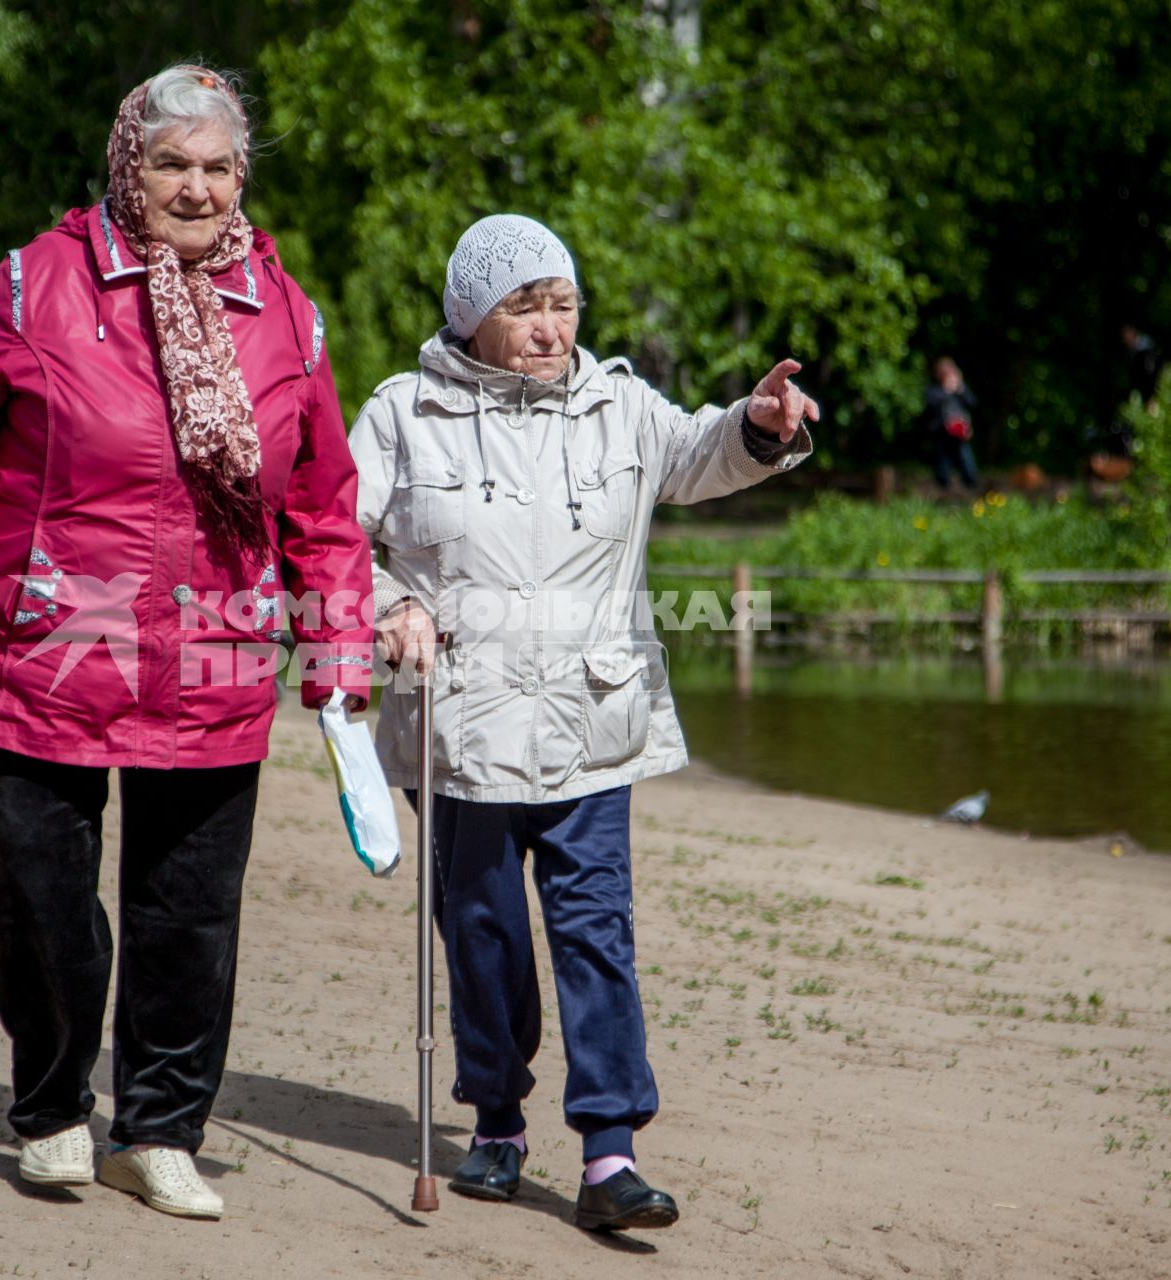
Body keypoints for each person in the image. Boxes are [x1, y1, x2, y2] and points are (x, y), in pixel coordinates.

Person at [0, 65, 374, 1220]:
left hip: (214, 647)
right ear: (127, 167)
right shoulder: (35, 281)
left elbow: (320, 500)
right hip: (47, 636)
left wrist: (338, 644)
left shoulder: (285, 312)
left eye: (215, 167)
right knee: (37, 892)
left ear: (238, 177)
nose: (195, 189)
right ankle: (54, 1106)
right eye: (171, 165)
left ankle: (159, 1128)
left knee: (190, 912)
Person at [349, 214, 815, 1232]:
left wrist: (759, 423)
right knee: (483, 934)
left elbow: (699, 454)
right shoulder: (402, 412)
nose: (550, 327)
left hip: (592, 723)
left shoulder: (616, 405)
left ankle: (609, 1149)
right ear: (472, 314)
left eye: (562, 305)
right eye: (525, 307)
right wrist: (390, 603)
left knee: (595, 932)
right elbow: (338, 535)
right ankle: (499, 1120)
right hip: (461, 725)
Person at [920, 356, 979, 490]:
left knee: (968, 468)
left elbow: (973, 403)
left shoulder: (960, 392)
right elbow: (931, 405)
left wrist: (960, 389)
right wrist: (946, 390)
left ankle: (970, 492)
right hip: (941, 438)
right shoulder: (934, 391)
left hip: (960, 438)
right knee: (943, 470)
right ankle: (944, 494)